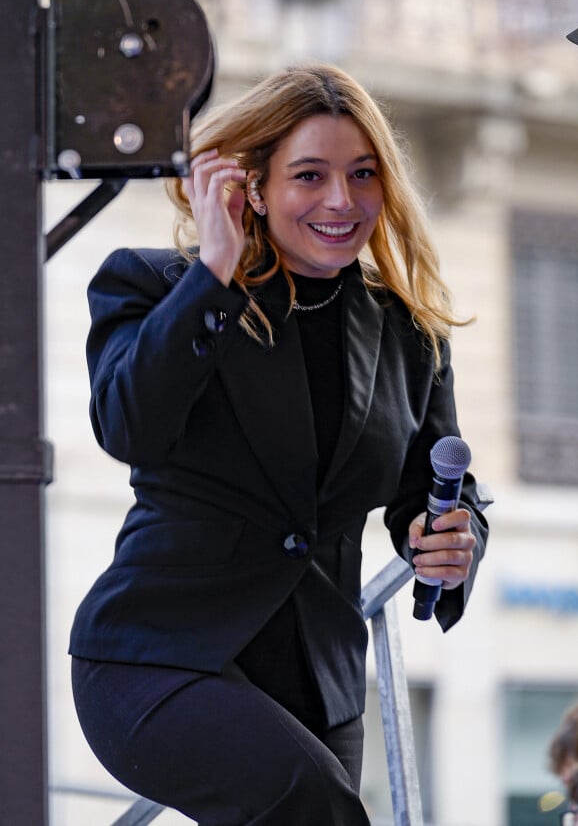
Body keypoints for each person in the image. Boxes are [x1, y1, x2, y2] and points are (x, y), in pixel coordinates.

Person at [69, 63, 489, 825]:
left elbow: (436, 491)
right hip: (157, 658)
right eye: (310, 175)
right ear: (253, 187)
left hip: (319, 685)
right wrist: (216, 274)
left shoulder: (407, 333)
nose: (342, 200)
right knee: (320, 810)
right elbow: (127, 424)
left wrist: (451, 541)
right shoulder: (158, 289)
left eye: (363, 174)